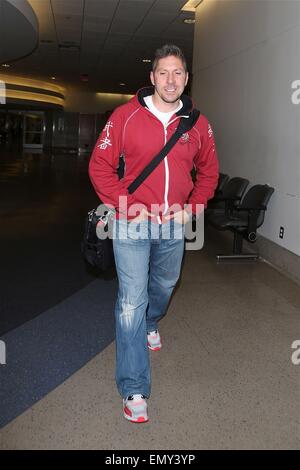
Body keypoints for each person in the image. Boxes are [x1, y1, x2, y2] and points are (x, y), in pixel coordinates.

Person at [89, 44, 219, 423]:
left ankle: (151, 321)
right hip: (131, 221)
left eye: (178, 72)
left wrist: (192, 208)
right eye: (163, 72)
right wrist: (126, 203)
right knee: (131, 299)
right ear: (151, 77)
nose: (170, 80)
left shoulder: (198, 124)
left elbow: (209, 172)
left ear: (186, 78)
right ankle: (134, 388)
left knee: (164, 284)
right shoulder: (125, 116)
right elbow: (100, 166)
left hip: (174, 224)